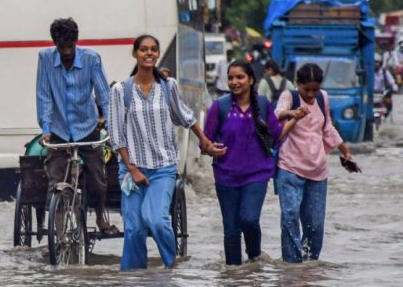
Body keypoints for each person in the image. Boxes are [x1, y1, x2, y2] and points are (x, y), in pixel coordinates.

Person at [109, 34, 225, 270]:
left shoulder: (168, 86)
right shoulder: (121, 91)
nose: (149, 53)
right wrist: (131, 167)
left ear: (158, 54)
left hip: (163, 167)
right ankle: (134, 280)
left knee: (157, 219)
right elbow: (116, 133)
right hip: (131, 169)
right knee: (133, 228)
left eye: (153, 49)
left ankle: (172, 267)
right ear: (135, 54)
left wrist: (205, 142)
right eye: (143, 49)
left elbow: (186, 116)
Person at [202, 60, 301, 265]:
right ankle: (235, 278)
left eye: (239, 77)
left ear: (251, 80)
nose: (234, 82)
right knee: (230, 231)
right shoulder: (219, 107)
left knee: (249, 219)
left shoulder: (263, 105)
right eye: (230, 78)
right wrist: (209, 148)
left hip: (257, 175)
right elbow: (205, 141)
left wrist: (294, 120)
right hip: (225, 176)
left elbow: (275, 137)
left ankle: (254, 258)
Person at [36, 17, 116, 237]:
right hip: (59, 130)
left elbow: (104, 96)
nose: (67, 52)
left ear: (76, 42)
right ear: (55, 45)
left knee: (99, 179)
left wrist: (110, 126)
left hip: (87, 128)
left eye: (70, 46)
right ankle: (59, 233)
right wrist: (46, 129)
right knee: (55, 180)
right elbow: (43, 96)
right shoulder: (45, 59)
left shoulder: (91, 59)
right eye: (62, 47)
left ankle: (100, 217)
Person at [275, 62, 360, 263]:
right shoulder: (290, 96)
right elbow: (276, 116)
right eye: (307, 89)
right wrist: (292, 113)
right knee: (289, 217)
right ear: (297, 83)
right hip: (290, 167)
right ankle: (292, 264)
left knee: (315, 224)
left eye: (315, 89)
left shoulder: (323, 98)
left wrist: (345, 151)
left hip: (318, 170)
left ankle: (310, 264)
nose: (311, 94)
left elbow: (327, 127)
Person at [375, 55, 397, 122]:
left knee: (388, 101)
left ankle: (386, 114)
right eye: (374, 62)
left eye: (377, 62)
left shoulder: (385, 72)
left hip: (383, 93)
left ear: (380, 63)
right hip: (371, 93)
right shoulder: (369, 72)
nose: (376, 64)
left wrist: (394, 87)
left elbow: (391, 81)